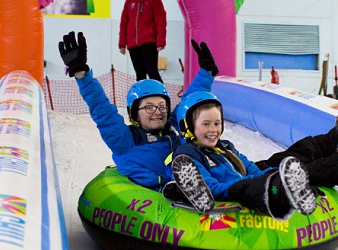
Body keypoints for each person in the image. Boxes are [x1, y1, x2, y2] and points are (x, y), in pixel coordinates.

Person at [168, 91, 338, 218]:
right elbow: (212, 188)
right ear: (187, 127)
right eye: (206, 124)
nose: (213, 130)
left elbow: (251, 168)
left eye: (217, 123)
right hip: (235, 189)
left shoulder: (224, 146)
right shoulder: (188, 155)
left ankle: (329, 143)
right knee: (303, 172)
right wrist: (264, 179)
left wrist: (270, 172)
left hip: (246, 179)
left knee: (285, 159)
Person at [58, 31, 219, 192]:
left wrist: (206, 73)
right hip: (152, 196)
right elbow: (103, 111)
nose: (158, 111)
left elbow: (190, 103)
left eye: (162, 106)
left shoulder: (173, 128)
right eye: (149, 107)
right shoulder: (125, 139)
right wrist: (82, 75)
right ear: (135, 113)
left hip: (191, 190)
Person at [118, 0, 166, 83]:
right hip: (133, 44)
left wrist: (161, 41)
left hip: (149, 41)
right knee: (140, 74)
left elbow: (160, 20)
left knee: (151, 71)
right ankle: (143, 95)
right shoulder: (129, 2)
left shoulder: (155, 1)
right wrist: (122, 43)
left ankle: (161, 95)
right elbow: (124, 23)